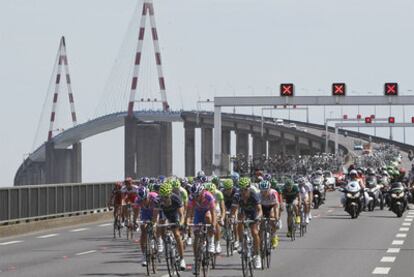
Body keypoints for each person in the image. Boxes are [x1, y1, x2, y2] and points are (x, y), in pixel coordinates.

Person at [230, 177, 262, 269]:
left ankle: (257, 256)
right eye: (241, 189)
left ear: (249, 188)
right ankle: (241, 242)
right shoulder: (237, 196)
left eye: (245, 189)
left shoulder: (254, 195)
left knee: (254, 232)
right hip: (243, 211)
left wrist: (257, 218)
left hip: (253, 212)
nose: (243, 192)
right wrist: (232, 218)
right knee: (239, 220)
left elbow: (260, 210)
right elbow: (233, 211)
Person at [186, 183, 216, 274]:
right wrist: (187, 223)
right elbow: (189, 213)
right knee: (196, 236)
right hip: (198, 213)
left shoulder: (209, 197)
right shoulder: (192, 198)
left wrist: (213, 226)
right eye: (194, 196)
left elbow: (213, 213)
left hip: (207, 212)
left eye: (197, 195)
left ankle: (211, 242)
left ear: (203, 192)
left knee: (208, 218)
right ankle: (196, 260)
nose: (196, 198)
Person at [156, 182, 187, 271]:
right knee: (162, 227)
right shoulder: (158, 200)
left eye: (166, 197)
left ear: (170, 194)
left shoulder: (176, 198)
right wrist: (155, 223)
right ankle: (166, 245)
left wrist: (180, 223)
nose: (164, 199)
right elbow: (156, 215)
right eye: (162, 196)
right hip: (164, 214)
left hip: (174, 214)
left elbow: (182, 215)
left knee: (177, 234)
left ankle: (182, 259)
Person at [135, 186, 159, 267]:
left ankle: (155, 243)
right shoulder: (138, 200)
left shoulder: (154, 198)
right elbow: (136, 211)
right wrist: (135, 221)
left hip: (154, 211)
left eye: (145, 199)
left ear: (148, 196)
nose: (143, 201)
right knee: (143, 230)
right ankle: (144, 255)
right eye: (141, 200)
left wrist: (153, 222)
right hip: (145, 212)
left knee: (154, 228)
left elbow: (156, 214)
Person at [204, 182, 225, 254]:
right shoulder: (204, 194)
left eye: (212, 193)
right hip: (207, 209)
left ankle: (217, 243)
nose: (211, 195)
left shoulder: (218, 193)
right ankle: (210, 242)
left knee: (216, 225)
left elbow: (223, 208)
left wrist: (222, 218)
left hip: (216, 209)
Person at [258, 180, 280, 248]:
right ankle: (260, 241)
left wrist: (276, 217)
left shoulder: (273, 193)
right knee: (261, 224)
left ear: (269, 189)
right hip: (262, 207)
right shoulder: (258, 194)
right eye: (262, 191)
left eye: (266, 191)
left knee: (272, 216)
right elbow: (258, 208)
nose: (264, 192)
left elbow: (276, 206)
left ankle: (274, 237)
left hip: (272, 206)